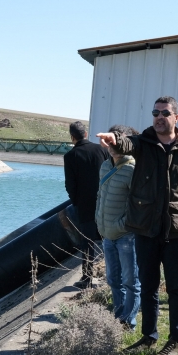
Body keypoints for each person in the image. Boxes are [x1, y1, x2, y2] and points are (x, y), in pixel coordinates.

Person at [96, 96, 178, 355]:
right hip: (146, 228)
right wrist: (114, 139)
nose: (159, 117)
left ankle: (175, 340)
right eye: (155, 113)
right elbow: (127, 143)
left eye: (165, 113)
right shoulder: (143, 143)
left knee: (176, 287)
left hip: (176, 229)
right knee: (147, 285)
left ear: (176, 118)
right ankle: (149, 336)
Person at [95, 124, 141, 330]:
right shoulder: (105, 166)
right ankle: (118, 318)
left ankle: (128, 323)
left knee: (131, 281)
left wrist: (122, 225)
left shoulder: (132, 169)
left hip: (125, 236)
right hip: (107, 235)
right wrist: (99, 220)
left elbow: (139, 205)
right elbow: (100, 196)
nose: (111, 145)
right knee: (114, 280)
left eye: (116, 140)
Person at [63, 120, 109, 288]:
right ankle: (111, 277)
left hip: (85, 205)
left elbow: (70, 184)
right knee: (108, 239)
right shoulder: (101, 150)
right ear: (85, 133)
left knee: (87, 242)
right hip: (105, 202)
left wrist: (76, 201)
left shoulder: (70, 156)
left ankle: (87, 278)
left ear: (72, 136)